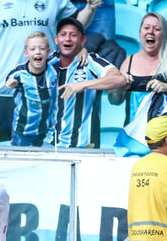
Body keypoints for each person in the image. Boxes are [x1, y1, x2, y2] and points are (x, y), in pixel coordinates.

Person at [0, 0, 102, 144]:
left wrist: (90, 8)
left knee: (42, 156)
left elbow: (76, 25)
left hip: (43, 94)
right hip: (0, 90)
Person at [108, 13, 167, 127]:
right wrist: (119, 88)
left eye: (157, 29)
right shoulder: (129, 61)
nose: (150, 32)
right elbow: (114, 101)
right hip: (133, 132)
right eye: (146, 28)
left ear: (164, 35)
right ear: (140, 33)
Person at [51, 18, 126, 148]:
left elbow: (119, 79)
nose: (68, 39)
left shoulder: (91, 61)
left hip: (84, 144)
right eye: (63, 35)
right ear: (56, 39)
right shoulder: (47, 63)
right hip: (49, 144)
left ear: (83, 41)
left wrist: (83, 84)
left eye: (73, 35)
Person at [5, 32, 58, 147]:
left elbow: (69, 52)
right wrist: (10, 83)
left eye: (42, 48)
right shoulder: (19, 73)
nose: (38, 52)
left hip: (45, 130)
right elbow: (9, 79)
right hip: (22, 129)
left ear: (48, 52)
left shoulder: (54, 65)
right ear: (26, 53)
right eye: (33, 49)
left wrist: (82, 51)